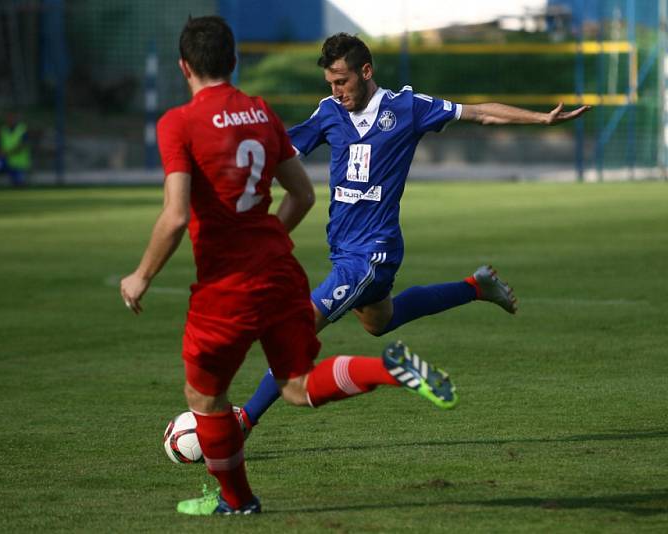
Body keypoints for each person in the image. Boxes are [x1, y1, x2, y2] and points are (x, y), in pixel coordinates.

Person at [120, 16, 457, 517]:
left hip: (226, 284)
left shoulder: (178, 123)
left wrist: (140, 276)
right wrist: (268, 239)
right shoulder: (260, 114)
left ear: (183, 67)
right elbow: (302, 195)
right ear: (234, 61)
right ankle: (386, 369)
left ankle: (238, 501)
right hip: (278, 269)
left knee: (204, 394)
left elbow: (173, 216)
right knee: (295, 383)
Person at [238, 33, 591, 433]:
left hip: (373, 253)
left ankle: (243, 421)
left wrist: (540, 118)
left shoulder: (407, 108)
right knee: (379, 322)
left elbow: (478, 114)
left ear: (365, 72)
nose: (336, 92)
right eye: (330, 85)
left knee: (293, 332)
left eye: (342, 82)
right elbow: (282, 151)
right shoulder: (329, 112)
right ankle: (477, 286)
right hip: (343, 249)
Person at [0, 112, 31, 187]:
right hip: (6, 161)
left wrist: (7, 153)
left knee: (19, 184)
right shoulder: (4, 130)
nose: (10, 120)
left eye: (12, 118)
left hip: (19, 164)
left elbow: (22, 146)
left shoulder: (22, 129)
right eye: (8, 119)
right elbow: (2, 145)